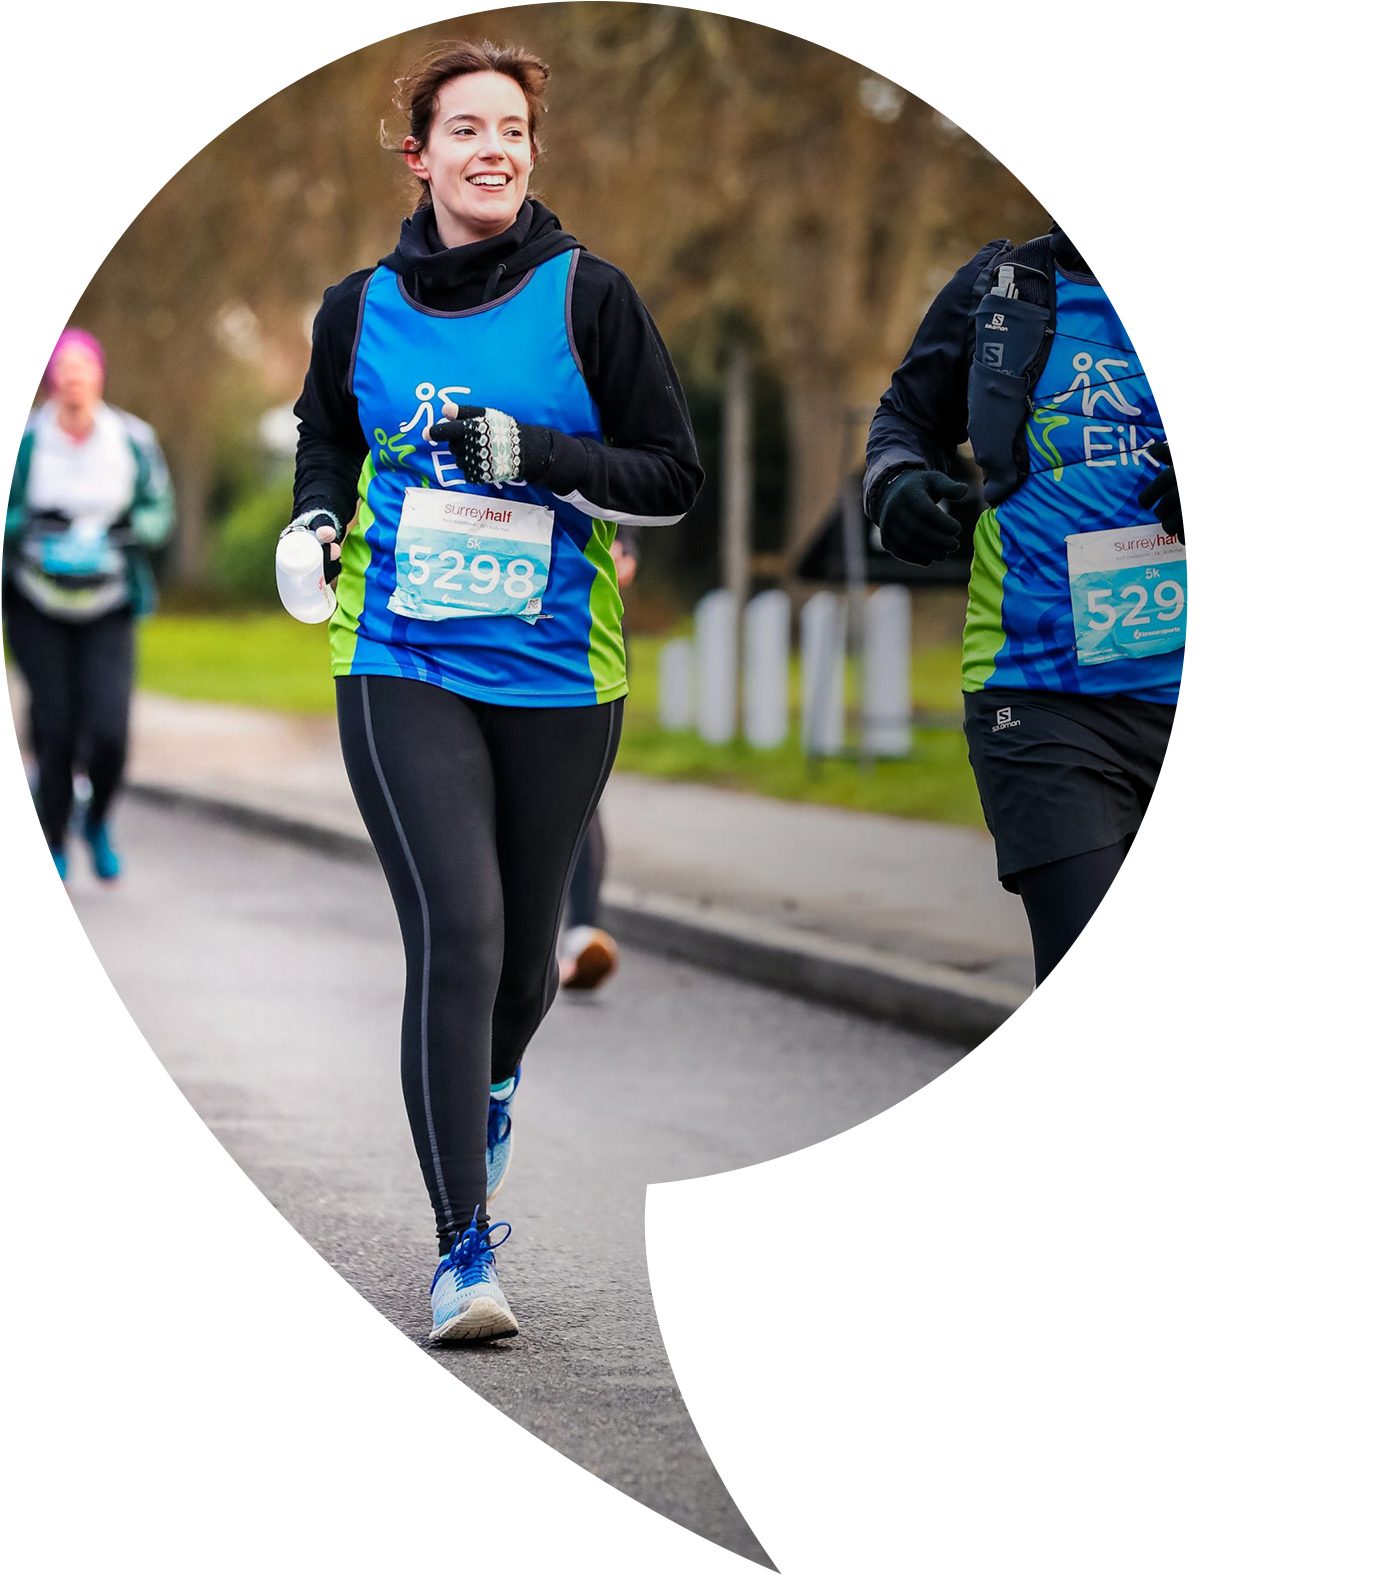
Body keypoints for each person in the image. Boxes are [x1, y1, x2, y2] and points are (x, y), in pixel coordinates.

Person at [290, 40, 701, 1341]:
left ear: (532, 148)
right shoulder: (358, 309)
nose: (492, 149)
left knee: (524, 964)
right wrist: (311, 524)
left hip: (558, 668)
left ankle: (499, 1075)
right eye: (465, 129)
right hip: (402, 654)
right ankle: (462, 1248)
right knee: (457, 931)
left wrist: (544, 455)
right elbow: (326, 434)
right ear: (417, 154)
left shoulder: (591, 298)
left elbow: (672, 475)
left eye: (511, 129)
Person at [865, 24, 1187, 1024]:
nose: (1144, 140)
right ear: (1070, 143)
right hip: (1035, 686)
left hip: (1193, 691)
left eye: (1165, 118)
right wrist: (896, 485)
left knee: (1173, 998)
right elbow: (902, 423)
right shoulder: (1005, 290)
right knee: (1087, 971)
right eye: (1116, 119)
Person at [1, 329, 174, 897]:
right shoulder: (25, 441)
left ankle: (96, 821)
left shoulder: (130, 437)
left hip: (108, 599)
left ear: (99, 375)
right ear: (50, 377)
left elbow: (159, 510)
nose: (74, 376)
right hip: (37, 600)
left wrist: (133, 530)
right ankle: (53, 847)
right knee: (55, 727)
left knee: (108, 732)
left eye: (85, 366)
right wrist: (30, 524)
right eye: (64, 366)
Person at [557, 527, 638, 992]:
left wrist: (625, 549)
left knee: (575, 789)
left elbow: (629, 482)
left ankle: (582, 933)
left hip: (575, 639)